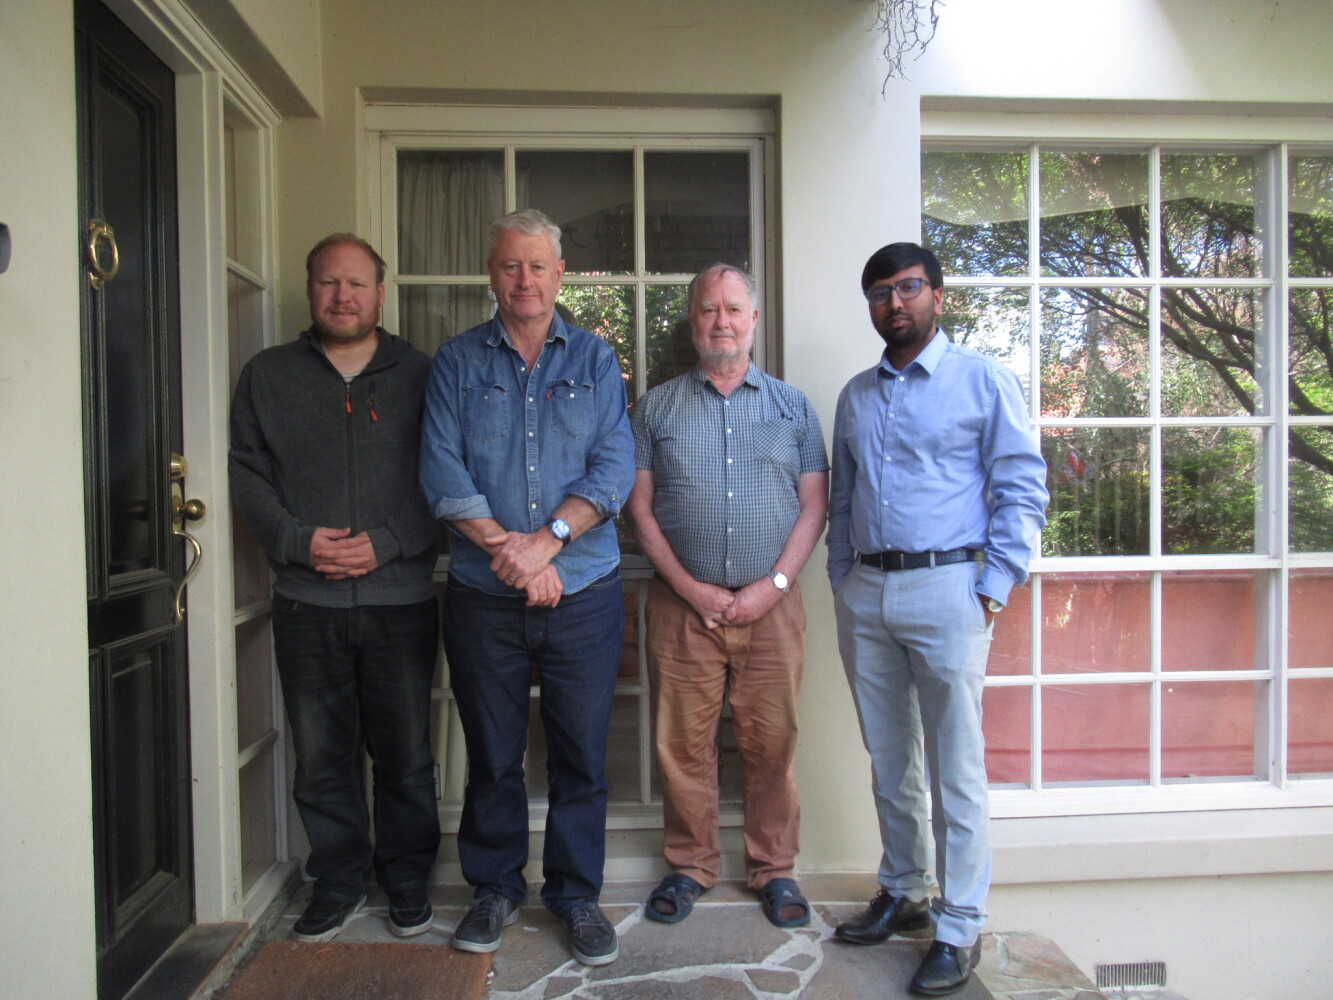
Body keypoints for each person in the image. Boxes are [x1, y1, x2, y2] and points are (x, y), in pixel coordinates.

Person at [827, 243, 1048, 996]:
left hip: (950, 590)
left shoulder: (982, 381)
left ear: (937, 296)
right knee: (889, 758)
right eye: (881, 292)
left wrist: (991, 588)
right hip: (867, 594)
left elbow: (1021, 487)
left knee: (955, 765)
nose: (895, 302)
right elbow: (844, 501)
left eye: (909, 288)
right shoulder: (855, 395)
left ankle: (958, 924)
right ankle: (903, 890)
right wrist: (841, 583)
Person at [419, 209, 635, 967]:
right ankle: (495, 888)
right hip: (485, 595)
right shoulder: (456, 363)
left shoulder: (598, 360)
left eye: (538, 267)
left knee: (581, 754)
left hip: (584, 590)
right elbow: (441, 472)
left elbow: (612, 469)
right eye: (511, 266)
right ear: (492, 273)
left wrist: (547, 545)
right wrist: (510, 554)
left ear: (559, 275)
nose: (525, 280)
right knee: (492, 752)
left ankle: (575, 895)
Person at [229, 234, 441, 942]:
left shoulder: (422, 374)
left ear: (380, 294)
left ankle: (407, 879)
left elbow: (445, 477)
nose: (341, 296)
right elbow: (246, 474)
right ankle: (341, 879)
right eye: (327, 283)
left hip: (402, 601)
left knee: (407, 754)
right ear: (309, 289)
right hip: (306, 602)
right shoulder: (267, 375)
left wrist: (387, 542)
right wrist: (295, 541)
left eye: (355, 284)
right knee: (322, 757)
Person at [627, 264, 828, 928]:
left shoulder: (792, 407)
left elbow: (813, 507)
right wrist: (689, 588)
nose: (721, 320)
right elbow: (641, 511)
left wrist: (771, 587)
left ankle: (773, 871)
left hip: (771, 609)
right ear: (692, 320)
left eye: (733, 309)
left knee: (771, 743)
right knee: (681, 744)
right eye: (708, 309)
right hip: (680, 607)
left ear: (753, 320)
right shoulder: (653, 408)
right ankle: (690, 868)